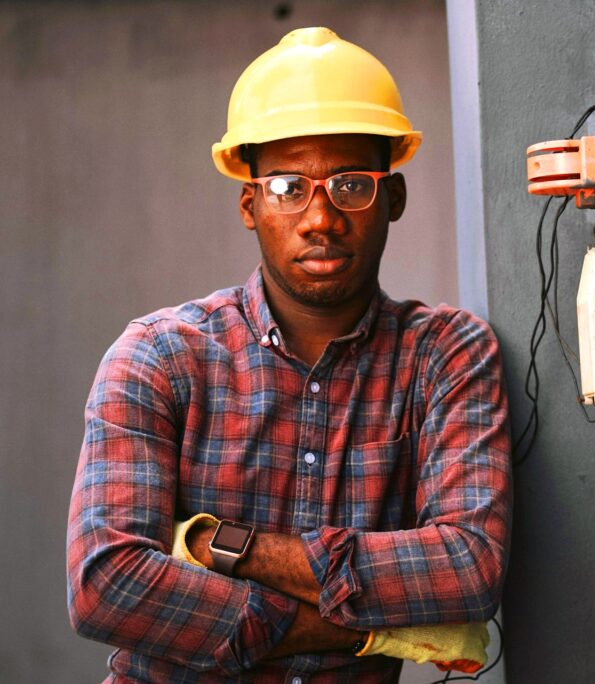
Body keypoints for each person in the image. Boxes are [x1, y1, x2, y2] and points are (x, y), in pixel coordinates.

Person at [66, 27, 511, 683]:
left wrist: (230, 549)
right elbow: (105, 584)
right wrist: (362, 630)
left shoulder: (446, 356)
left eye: (351, 185)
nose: (321, 217)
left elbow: (469, 568)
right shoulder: (158, 356)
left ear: (394, 198)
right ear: (250, 205)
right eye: (286, 188)